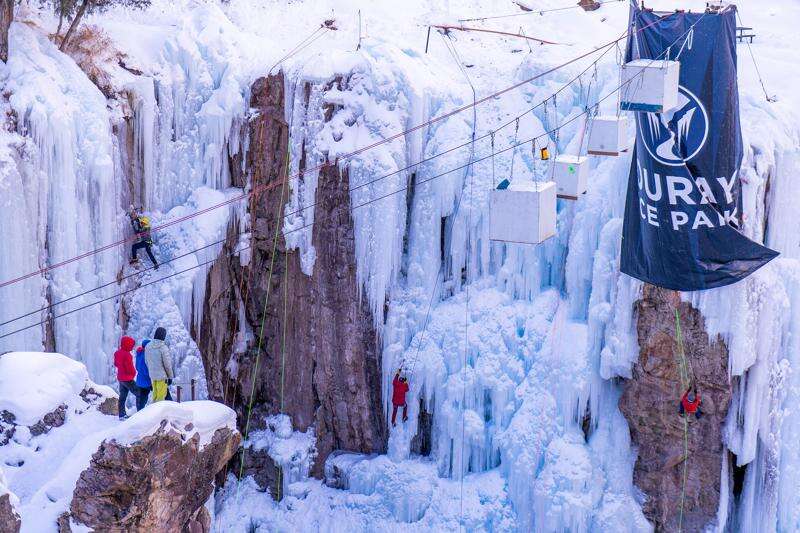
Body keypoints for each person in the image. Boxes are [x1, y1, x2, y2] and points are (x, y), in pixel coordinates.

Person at [145, 327, 174, 402]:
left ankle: (153, 412)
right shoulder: (163, 348)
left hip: (152, 375)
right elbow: (167, 365)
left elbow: (146, 361)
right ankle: (158, 413)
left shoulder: (148, 346)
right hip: (162, 377)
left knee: (155, 396)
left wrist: (151, 370)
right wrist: (170, 377)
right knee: (161, 398)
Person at [113, 336, 139, 420]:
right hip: (128, 379)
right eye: (131, 345)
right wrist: (134, 373)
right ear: (127, 344)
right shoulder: (127, 355)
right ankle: (141, 413)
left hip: (120, 378)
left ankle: (121, 415)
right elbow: (130, 368)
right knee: (139, 394)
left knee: (122, 397)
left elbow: (116, 364)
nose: (132, 347)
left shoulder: (117, 353)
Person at [135, 339, 152, 410]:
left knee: (140, 400)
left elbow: (137, 366)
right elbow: (146, 370)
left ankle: (138, 413)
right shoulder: (146, 355)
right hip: (146, 382)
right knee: (143, 400)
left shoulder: (139, 354)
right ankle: (140, 415)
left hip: (139, 380)